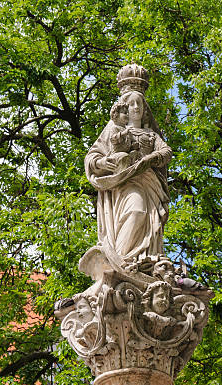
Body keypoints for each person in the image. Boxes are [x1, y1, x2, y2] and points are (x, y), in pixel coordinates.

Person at [85, 64, 172, 271]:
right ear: (124, 107)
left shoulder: (151, 134)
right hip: (124, 182)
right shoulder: (114, 129)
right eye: (131, 104)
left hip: (149, 183)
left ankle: (137, 261)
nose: (136, 107)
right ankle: (120, 261)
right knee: (136, 210)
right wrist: (102, 162)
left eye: (139, 104)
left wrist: (152, 158)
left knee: (147, 218)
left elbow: (166, 152)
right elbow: (92, 156)